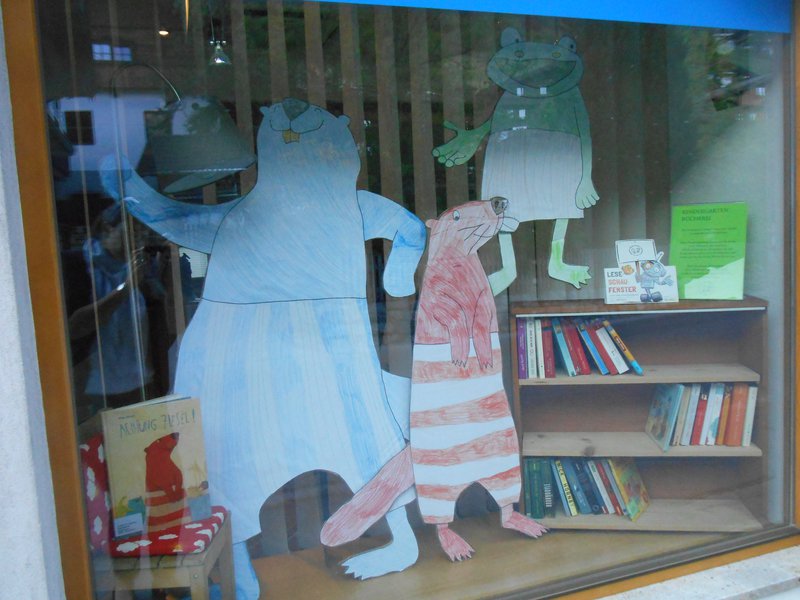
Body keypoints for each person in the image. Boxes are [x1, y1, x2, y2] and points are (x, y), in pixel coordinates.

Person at [68, 204, 161, 412]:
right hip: (93, 389)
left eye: (144, 232)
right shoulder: (78, 266)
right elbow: (74, 327)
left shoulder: (140, 268)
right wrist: (126, 288)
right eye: (134, 230)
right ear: (108, 228)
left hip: (139, 383)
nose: (140, 238)